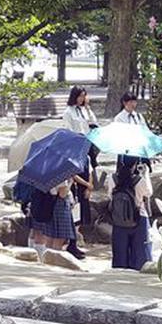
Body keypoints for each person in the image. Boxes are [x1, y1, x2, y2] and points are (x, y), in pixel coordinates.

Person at [63, 87, 98, 259]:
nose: (82, 99)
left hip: (86, 145)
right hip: (75, 144)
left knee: (82, 204)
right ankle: (72, 242)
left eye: (84, 96)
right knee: (75, 201)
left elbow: (93, 123)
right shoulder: (69, 112)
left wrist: (88, 107)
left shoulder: (85, 110)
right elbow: (69, 130)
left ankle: (76, 238)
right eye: (80, 96)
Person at [110, 158, 154, 270]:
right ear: (135, 164)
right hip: (139, 217)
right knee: (140, 254)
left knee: (120, 254)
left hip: (118, 218)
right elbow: (148, 193)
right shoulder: (139, 180)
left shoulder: (113, 178)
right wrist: (146, 174)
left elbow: (110, 195)